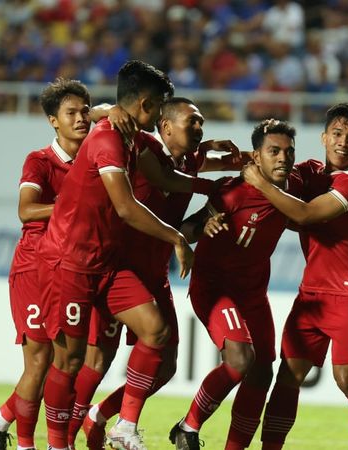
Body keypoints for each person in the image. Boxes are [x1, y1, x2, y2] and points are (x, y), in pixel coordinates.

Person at [35, 60, 205, 450]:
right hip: (70, 263)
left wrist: (216, 190)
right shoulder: (109, 139)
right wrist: (177, 238)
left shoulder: (132, 138)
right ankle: (56, 444)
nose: (164, 113)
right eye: (161, 105)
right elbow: (126, 207)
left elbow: (165, 177)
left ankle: (123, 426)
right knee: (71, 360)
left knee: (155, 331)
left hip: (107, 263)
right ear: (145, 104)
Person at [66, 97, 249, 450]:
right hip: (118, 267)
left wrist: (243, 162)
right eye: (191, 122)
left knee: (165, 366)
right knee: (98, 359)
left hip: (154, 272)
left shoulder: (192, 160)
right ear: (165, 126)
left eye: (201, 122)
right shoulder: (143, 144)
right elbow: (93, 114)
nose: (199, 128)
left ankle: (100, 416)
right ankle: (66, 438)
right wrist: (106, 109)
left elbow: (205, 170)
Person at [0, 78, 135, 450]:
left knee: (69, 360)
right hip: (35, 265)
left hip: (77, 265)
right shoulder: (40, 161)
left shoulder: (97, 152)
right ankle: (27, 444)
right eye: (70, 113)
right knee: (42, 360)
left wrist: (106, 109)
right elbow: (25, 210)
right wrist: (73, 204)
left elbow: (101, 112)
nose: (81, 119)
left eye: (84, 112)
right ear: (52, 121)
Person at [240, 103, 348, 450]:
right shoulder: (310, 171)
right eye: (338, 134)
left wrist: (260, 183)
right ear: (324, 136)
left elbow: (307, 213)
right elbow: (274, 173)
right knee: (287, 377)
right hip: (312, 293)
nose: (344, 142)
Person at [170, 119, 299, 450]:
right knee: (241, 360)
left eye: (288, 151)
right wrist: (204, 226)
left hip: (254, 295)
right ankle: (188, 426)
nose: (283, 158)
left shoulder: (291, 193)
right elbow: (186, 230)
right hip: (215, 289)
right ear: (256, 156)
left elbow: (310, 216)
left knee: (261, 373)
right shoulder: (230, 190)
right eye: (274, 151)